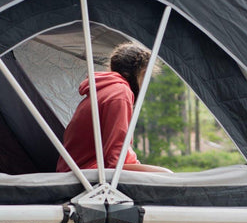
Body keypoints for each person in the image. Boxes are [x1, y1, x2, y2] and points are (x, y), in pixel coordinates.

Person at [57, 41, 171, 173]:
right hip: (85, 174)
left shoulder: (104, 90)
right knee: (166, 175)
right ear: (143, 73)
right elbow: (115, 162)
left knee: (162, 173)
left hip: (82, 170)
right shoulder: (120, 94)